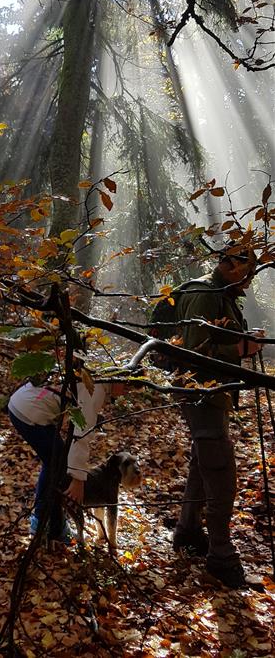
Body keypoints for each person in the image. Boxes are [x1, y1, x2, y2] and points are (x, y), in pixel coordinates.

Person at [172, 247, 263, 588]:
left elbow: (215, 339)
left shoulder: (222, 295)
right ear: (229, 265)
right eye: (247, 270)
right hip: (199, 392)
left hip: (213, 393)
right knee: (220, 468)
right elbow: (192, 351)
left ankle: (188, 532)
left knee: (203, 462)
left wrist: (242, 341)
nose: (250, 279)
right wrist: (240, 350)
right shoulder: (203, 293)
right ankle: (221, 557)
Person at [8, 378, 107, 542]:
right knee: (58, 465)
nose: (127, 392)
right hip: (28, 411)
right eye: (128, 387)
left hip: (22, 402)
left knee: (55, 463)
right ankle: (47, 525)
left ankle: (48, 522)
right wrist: (78, 479)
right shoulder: (96, 387)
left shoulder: (92, 376)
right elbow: (82, 434)